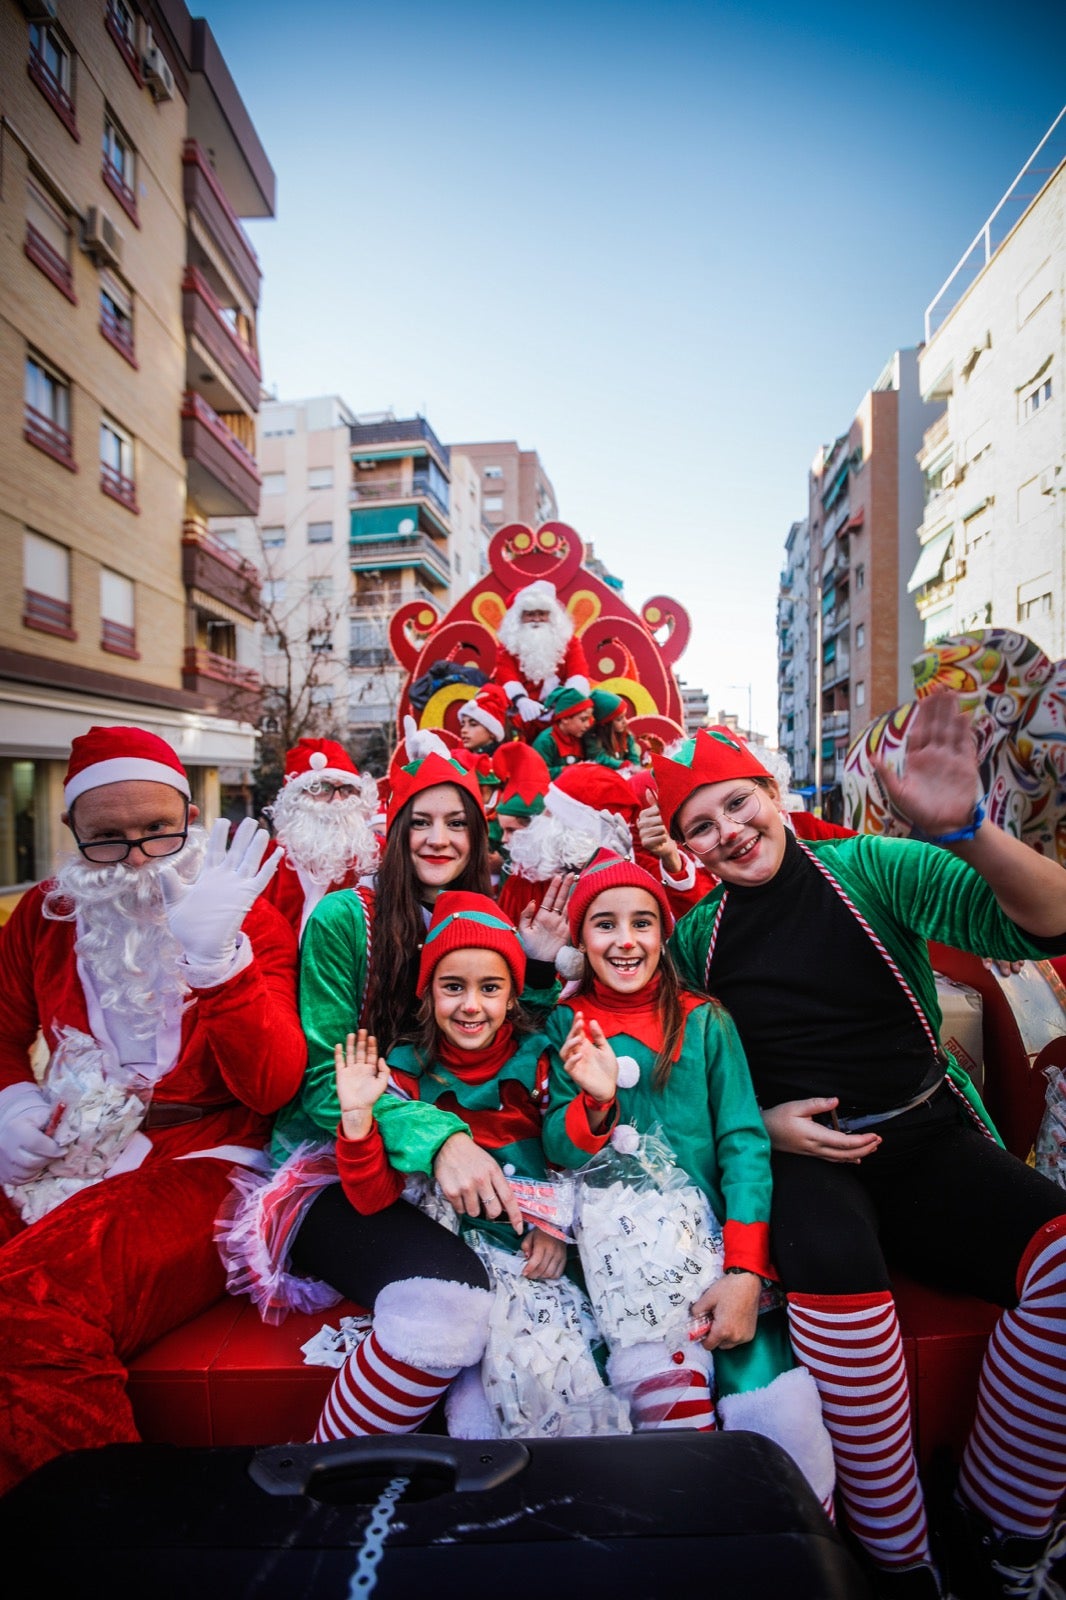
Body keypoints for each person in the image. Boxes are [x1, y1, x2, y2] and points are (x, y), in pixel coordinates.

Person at [658, 703, 1066, 1599]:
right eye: (702, 825)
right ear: (687, 849)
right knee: (838, 1276)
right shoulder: (696, 940)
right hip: (803, 1161)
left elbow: (1049, 924)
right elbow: (679, 1084)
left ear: (771, 792)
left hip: (925, 1138)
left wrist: (970, 833)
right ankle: (900, 1558)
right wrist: (763, 1126)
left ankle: (1000, 1517)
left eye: (737, 805)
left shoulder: (872, 868)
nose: (728, 832)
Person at [0, 724, 305, 1493]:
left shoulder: (243, 914)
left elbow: (272, 1086)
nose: (136, 858)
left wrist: (217, 963)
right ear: (72, 832)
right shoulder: (44, 915)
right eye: (108, 839)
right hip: (68, 1146)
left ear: (187, 817)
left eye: (158, 832)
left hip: (209, 1159)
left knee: (31, 1304)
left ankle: (95, 1528)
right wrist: (10, 1103)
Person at [540, 850, 834, 1505]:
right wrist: (592, 1102)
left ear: (663, 935)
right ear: (581, 940)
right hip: (615, 1278)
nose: (625, 941)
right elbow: (556, 1146)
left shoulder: (706, 1020)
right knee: (669, 1438)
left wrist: (744, 1270)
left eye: (642, 923)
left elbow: (744, 1148)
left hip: (715, 1267)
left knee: (780, 1418)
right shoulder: (565, 1024)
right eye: (605, 924)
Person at [313, 893, 565, 1441]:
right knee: (469, 1408)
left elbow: (569, 1155)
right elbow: (371, 1199)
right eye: (454, 987)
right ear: (427, 993)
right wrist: (356, 1118)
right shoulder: (402, 1074)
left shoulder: (539, 1060)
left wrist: (556, 1226)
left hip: (527, 1257)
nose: (471, 1005)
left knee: (544, 1381)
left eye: (489, 988)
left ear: (513, 995)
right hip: (450, 1248)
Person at [259, 737, 380, 936]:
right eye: (323, 789)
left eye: (348, 790)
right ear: (296, 799)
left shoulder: (374, 856)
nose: (338, 801)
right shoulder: (265, 859)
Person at [492, 580, 590, 732]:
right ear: (519, 618)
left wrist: (562, 706)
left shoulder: (569, 641)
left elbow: (578, 676)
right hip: (520, 713)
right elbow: (506, 677)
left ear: (551, 616)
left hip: (561, 713)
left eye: (542, 614)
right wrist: (521, 700)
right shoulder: (509, 645)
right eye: (530, 614)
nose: (537, 619)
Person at [583, 689, 644, 769]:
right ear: (606, 724)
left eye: (625, 716)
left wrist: (635, 767)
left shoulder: (626, 735)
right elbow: (599, 758)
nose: (625, 722)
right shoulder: (592, 737)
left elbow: (633, 758)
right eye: (619, 719)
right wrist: (622, 765)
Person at [457, 683, 511, 758]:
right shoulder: (458, 759)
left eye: (473, 724)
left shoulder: (504, 761)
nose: (463, 730)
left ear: (492, 732)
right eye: (462, 725)